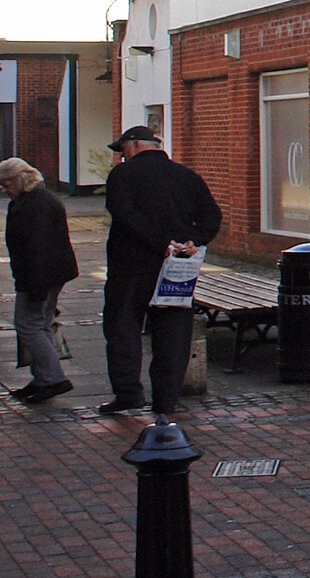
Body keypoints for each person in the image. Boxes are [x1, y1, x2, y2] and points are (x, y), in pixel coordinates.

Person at [102, 126, 220, 419]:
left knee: (123, 329)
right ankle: (166, 400)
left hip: (131, 267)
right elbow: (211, 215)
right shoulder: (186, 175)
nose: (121, 155)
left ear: (135, 145)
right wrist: (196, 240)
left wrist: (158, 243)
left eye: (122, 149)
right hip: (177, 269)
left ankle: (128, 393)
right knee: (173, 334)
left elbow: (125, 214)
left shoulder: (122, 176)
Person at [1, 157, 78, 404]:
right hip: (52, 273)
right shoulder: (41, 199)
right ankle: (44, 377)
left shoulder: (32, 205)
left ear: (19, 179)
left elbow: (36, 249)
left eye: (6, 184)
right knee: (41, 324)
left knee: (28, 325)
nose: (5, 190)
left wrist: (35, 288)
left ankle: (53, 378)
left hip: (38, 276)